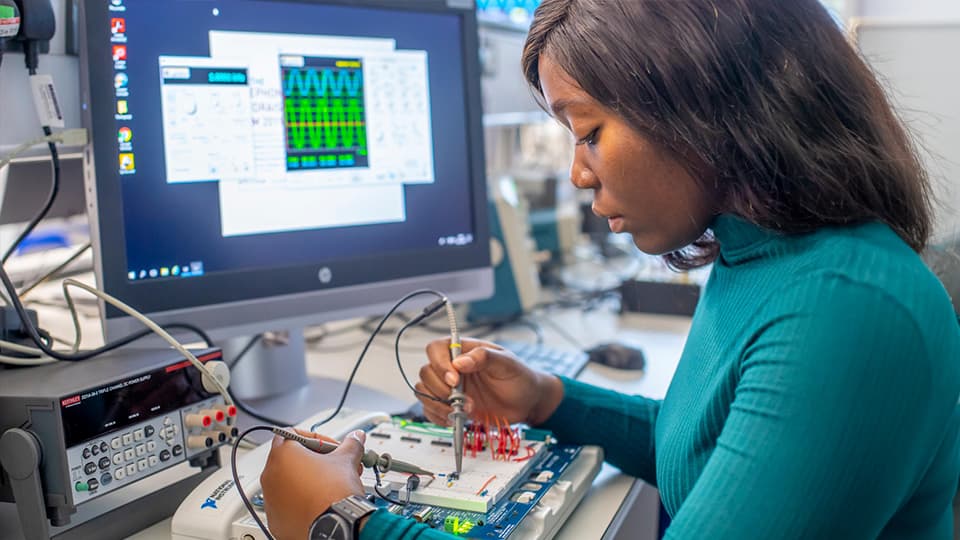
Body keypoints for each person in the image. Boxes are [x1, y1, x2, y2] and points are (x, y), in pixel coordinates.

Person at [260, 0, 960, 538]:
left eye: (589, 131)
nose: (577, 173)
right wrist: (547, 400)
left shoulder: (847, 308)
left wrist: (343, 521)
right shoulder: (759, 253)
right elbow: (706, 448)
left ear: (703, 99)